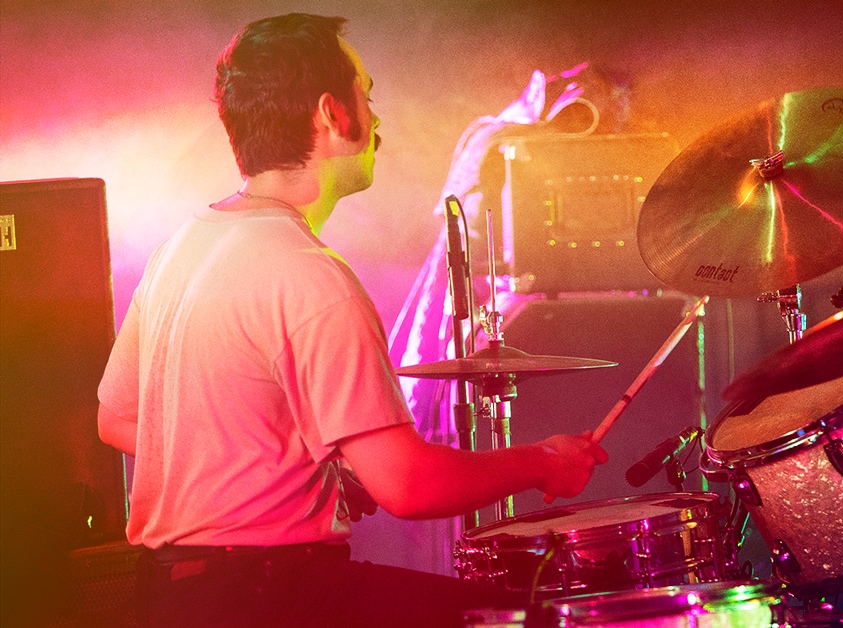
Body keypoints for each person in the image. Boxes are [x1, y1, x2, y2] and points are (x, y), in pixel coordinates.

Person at [96, 13, 607, 627]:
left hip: (172, 599)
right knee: (534, 619)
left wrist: (318, 468)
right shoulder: (311, 273)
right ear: (331, 114)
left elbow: (118, 420)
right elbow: (408, 487)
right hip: (273, 600)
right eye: (367, 93)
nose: (377, 116)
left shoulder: (180, 247)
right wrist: (544, 461)